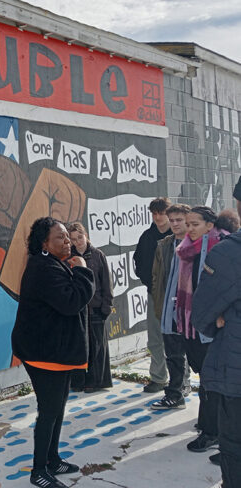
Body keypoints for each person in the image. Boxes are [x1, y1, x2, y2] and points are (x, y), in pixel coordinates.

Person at [11, 217, 94, 488]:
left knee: (56, 408)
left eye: (67, 237)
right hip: (43, 353)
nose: (67, 241)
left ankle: (53, 459)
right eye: (60, 237)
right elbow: (71, 302)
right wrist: (82, 270)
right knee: (48, 410)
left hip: (53, 352)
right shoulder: (44, 268)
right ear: (44, 244)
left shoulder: (53, 264)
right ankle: (39, 471)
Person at [192, 177, 241, 487]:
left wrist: (221, 319)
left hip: (236, 376)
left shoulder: (228, 254)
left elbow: (201, 315)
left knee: (234, 450)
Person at [173, 205, 229, 453]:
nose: (189, 228)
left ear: (210, 225)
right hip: (193, 325)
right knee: (205, 378)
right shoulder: (186, 249)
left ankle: (212, 431)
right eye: (188, 223)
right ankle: (211, 426)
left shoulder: (221, 248)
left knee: (211, 380)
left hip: (215, 328)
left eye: (195, 224)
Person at [150, 204, 192, 411]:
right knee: (173, 354)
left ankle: (208, 405)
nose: (175, 224)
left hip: (191, 311)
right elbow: (157, 278)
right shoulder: (164, 245)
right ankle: (175, 394)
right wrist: (161, 305)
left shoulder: (197, 244)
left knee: (197, 356)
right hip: (169, 309)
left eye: (179, 220)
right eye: (172, 220)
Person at [67, 222, 113, 392]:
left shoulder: (97, 255)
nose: (77, 242)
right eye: (73, 239)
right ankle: (77, 381)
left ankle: (96, 381)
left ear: (85, 235)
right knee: (79, 347)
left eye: (79, 237)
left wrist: (106, 306)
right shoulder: (68, 257)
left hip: (96, 309)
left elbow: (107, 282)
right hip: (77, 310)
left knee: (97, 348)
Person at [133, 197, 172, 393]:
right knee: (155, 338)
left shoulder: (178, 235)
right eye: (154, 213)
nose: (158, 217)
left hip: (176, 295)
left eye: (161, 213)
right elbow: (138, 262)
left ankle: (181, 380)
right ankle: (158, 378)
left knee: (177, 338)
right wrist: (149, 283)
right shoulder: (147, 237)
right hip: (154, 294)